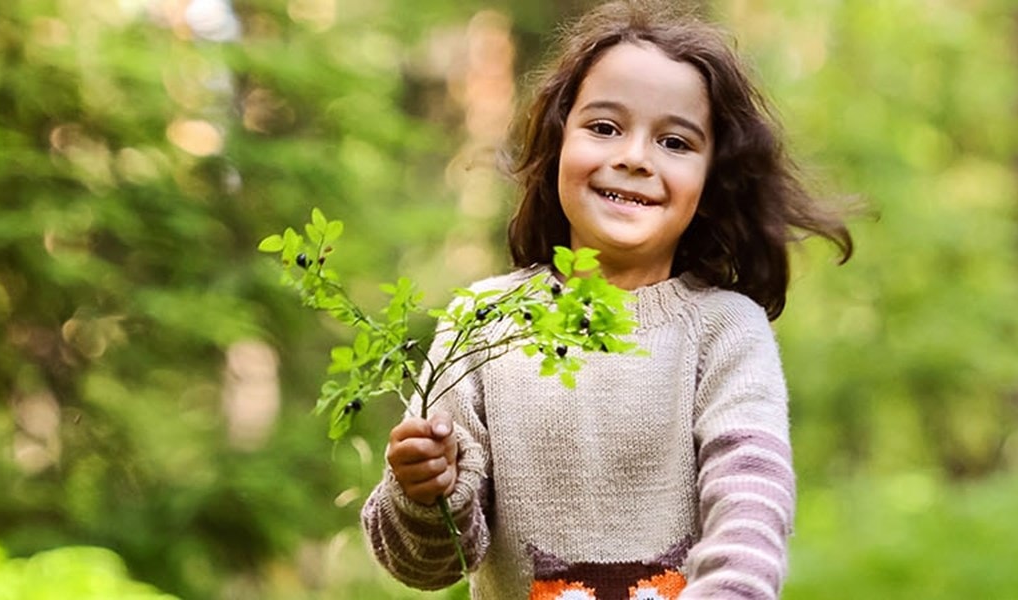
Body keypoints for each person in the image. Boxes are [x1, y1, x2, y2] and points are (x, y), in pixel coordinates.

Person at [360, 1, 854, 598]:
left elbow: (751, 510)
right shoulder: (484, 323)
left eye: (674, 141)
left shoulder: (726, 331)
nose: (634, 157)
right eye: (604, 128)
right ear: (557, 140)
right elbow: (429, 565)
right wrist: (420, 491)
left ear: (711, 176)